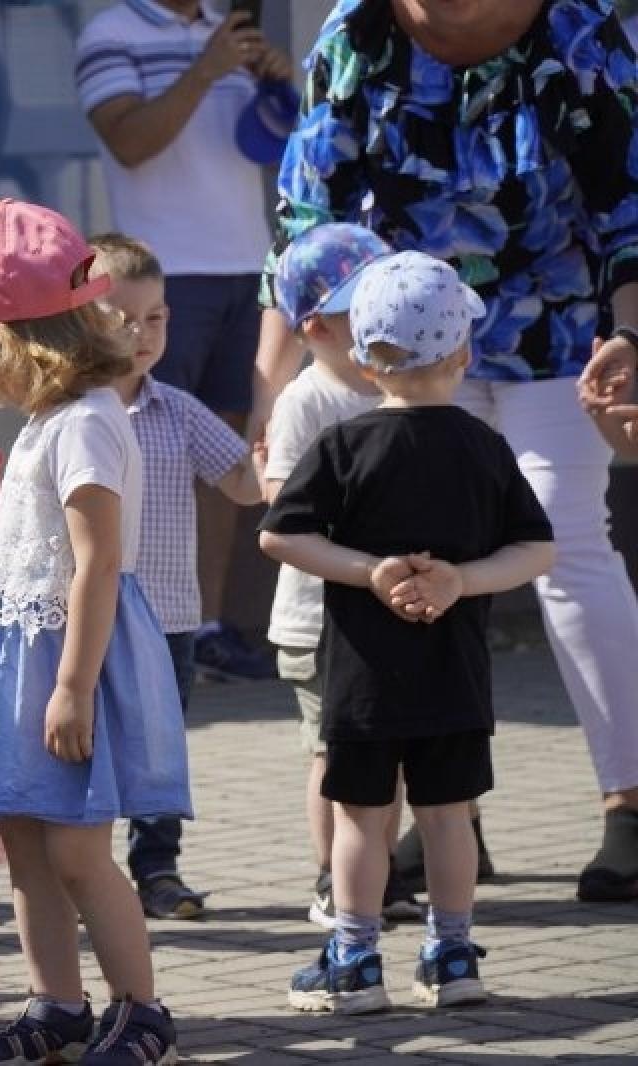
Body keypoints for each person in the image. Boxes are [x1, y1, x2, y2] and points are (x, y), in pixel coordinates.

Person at [254, 0, 638, 903]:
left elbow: (628, 202)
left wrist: (630, 338)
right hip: (406, 350)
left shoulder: (576, 29)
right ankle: (448, 810)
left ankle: (630, 805)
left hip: (563, 337)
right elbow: (304, 225)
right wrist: (273, 388)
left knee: (567, 550)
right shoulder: (358, 34)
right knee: (423, 557)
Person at [0, 200, 189, 1066]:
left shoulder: (83, 424)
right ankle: (57, 1007)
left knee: (78, 854)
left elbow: (96, 562)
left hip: (67, 658)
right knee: (28, 854)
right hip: (22, 654)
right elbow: (27, 551)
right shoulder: (50, 421)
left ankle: (143, 1010)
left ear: (18, 338)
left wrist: (73, 685)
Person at [260, 252, 555, 1015]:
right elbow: (537, 547)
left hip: (362, 675)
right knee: (448, 815)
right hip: (453, 671)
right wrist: (461, 579)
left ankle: (355, 961)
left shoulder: (343, 447)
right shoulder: (483, 447)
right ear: (463, 355)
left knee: (363, 818)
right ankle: (452, 956)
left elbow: (281, 536)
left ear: (361, 357)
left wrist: (369, 571)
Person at [75, 0, 291, 683]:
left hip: (248, 266)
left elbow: (275, 147)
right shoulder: (110, 34)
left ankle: (209, 629)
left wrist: (279, 88)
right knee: (146, 446)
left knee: (222, 446)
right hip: (161, 275)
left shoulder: (223, 30)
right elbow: (131, 141)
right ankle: (137, 623)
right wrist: (207, 69)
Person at [260, 223, 431, 931]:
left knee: (383, 755)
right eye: (358, 308)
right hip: (317, 620)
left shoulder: (393, 391)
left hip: (387, 611)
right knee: (334, 755)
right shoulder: (309, 400)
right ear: (316, 325)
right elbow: (280, 498)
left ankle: (377, 874)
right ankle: (333, 877)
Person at [88, 233, 262, 922]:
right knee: (92, 744)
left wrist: (282, 451)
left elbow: (245, 483)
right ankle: (84, 868)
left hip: (168, 619)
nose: (141, 333)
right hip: (91, 615)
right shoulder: (71, 414)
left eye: (155, 317)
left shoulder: (180, 411)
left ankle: (157, 868)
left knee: (158, 749)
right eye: (122, 318)